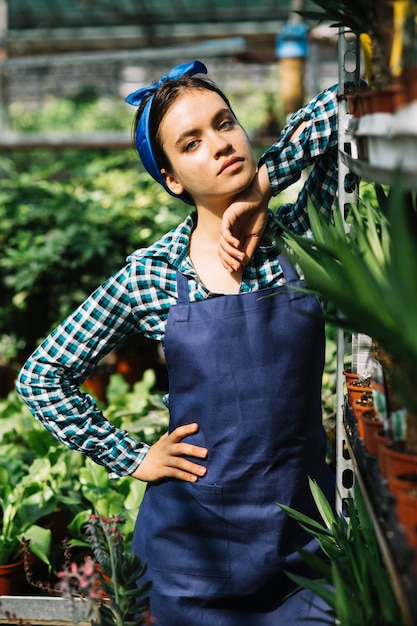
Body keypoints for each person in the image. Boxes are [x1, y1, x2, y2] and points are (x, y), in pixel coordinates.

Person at [16, 60, 339, 625]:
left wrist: (262, 186)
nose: (219, 145)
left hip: (302, 555)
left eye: (224, 123)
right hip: (192, 568)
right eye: (190, 144)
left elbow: (348, 103)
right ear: (172, 178)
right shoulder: (155, 276)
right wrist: (134, 457)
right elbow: (42, 375)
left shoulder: (298, 239)